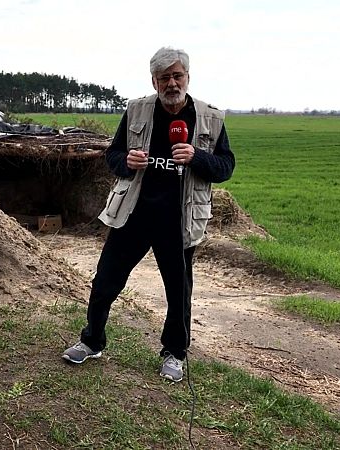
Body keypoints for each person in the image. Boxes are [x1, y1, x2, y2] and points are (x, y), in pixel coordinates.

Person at [62, 47, 235, 382]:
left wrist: (197, 156)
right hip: (134, 215)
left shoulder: (211, 118)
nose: (171, 83)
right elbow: (112, 155)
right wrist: (125, 162)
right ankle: (92, 341)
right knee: (105, 281)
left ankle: (174, 353)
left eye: (177, 76)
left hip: (179, 219)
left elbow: (226, 167)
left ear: (188, 77)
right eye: (164, 78)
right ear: (154, 81)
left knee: (178, 292)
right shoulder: (137, 111)